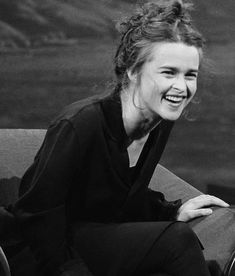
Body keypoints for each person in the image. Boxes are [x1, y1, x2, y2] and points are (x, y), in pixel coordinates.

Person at [1, 0, 230, 275]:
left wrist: (169, 211)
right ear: (133, 71)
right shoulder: (81, 123)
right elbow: (37, 215)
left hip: (93, 234)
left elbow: (114, 192)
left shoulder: (159, 120)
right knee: (177, 241)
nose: (181, 87)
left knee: (202, 265)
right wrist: (72, 271)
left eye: (190, 75)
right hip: (42, 248)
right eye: (168, 72)